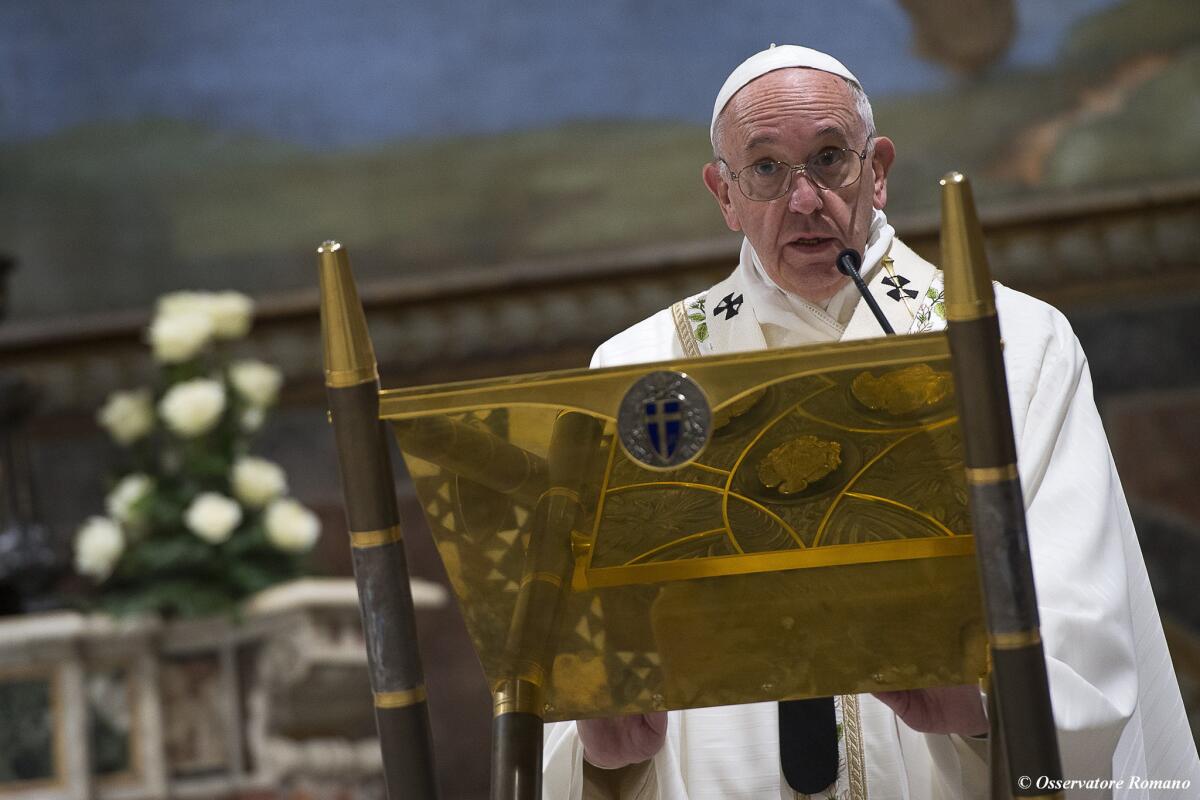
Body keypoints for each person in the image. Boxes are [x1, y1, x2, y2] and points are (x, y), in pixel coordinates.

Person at [541, 45, 1200, 799]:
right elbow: (586, 673)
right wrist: (607, 757)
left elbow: (1082, 623)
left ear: (878, 169)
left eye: (829, 159)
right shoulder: (640, 373)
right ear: (723, 194)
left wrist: (977, 702)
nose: (803, 199)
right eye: (764, 168)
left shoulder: (1010, 345)